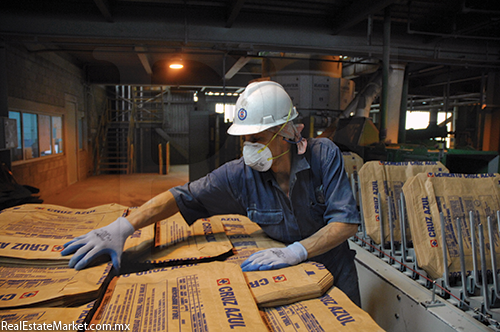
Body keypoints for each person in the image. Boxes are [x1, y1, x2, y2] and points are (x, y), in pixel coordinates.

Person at [61, 80, 362, 306]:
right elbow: (181, 196)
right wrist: (123, 226)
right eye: (244, 140)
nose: (249, 149)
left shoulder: (322, 155)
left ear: (286, 131)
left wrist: (294, 251)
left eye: (256, 139)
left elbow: (345, 222)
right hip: (289, 277)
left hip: (336, 272)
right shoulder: (239, 175)